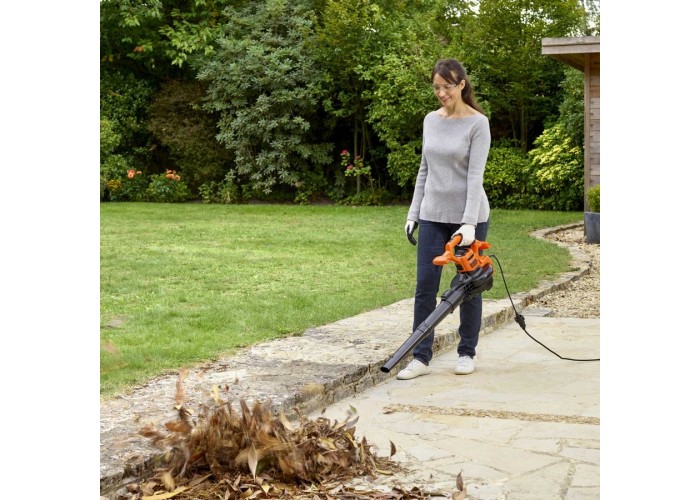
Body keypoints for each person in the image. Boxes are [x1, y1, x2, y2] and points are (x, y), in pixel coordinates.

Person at [398, 58, 491, 380]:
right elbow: (424, 169)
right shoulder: (431, 120)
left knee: (468, 287)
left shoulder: (478, 123)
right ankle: (420, 357)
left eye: (447, 87)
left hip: (469, 218)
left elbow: (475, 177)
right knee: (425, 287)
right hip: (433, 214)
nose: (441, 93)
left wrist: (469, 223)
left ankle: (467, 352)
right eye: (436, 87)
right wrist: (414, 213)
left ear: (461, 84)